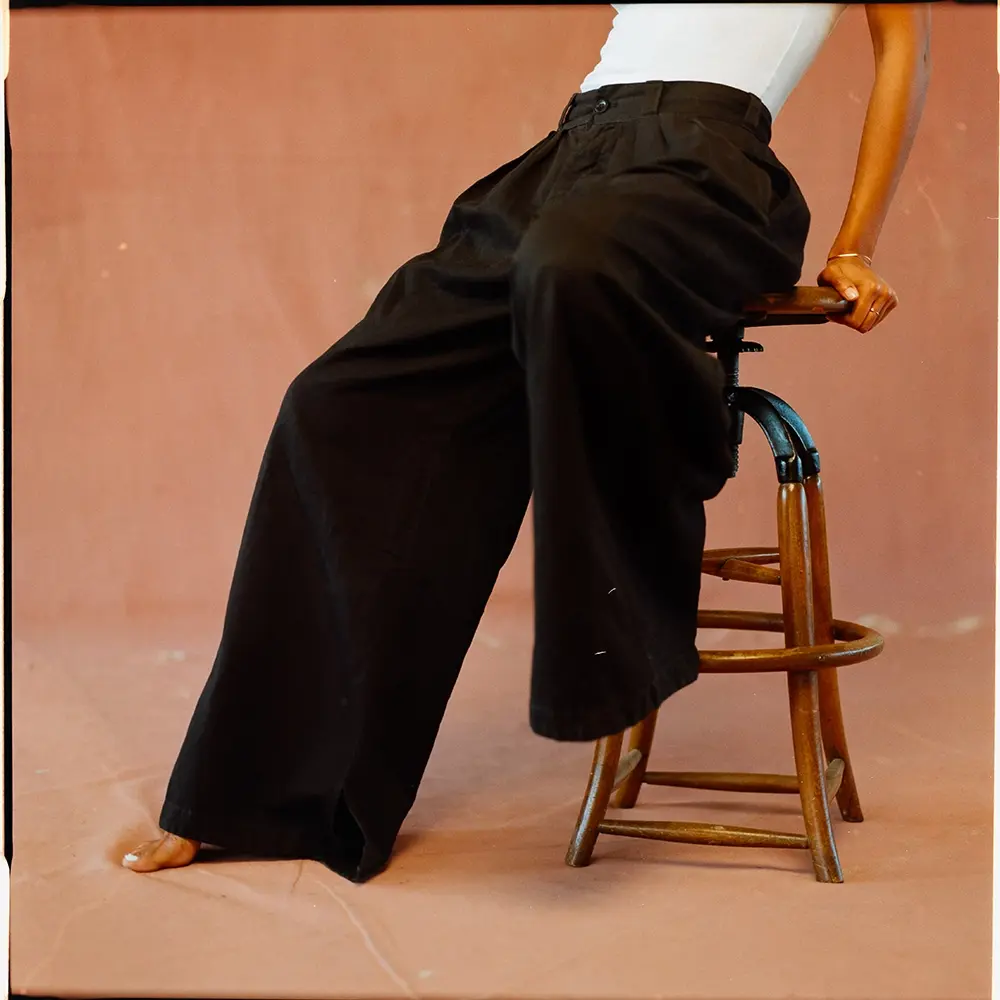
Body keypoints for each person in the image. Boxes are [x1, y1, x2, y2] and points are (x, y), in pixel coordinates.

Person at [123, 3, 930, 881]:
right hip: (565, 161)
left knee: (567, 268)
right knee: (335, 403)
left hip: (704, 166)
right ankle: (250, 795)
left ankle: (626, 609)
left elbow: (903, 50)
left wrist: (856, 244)